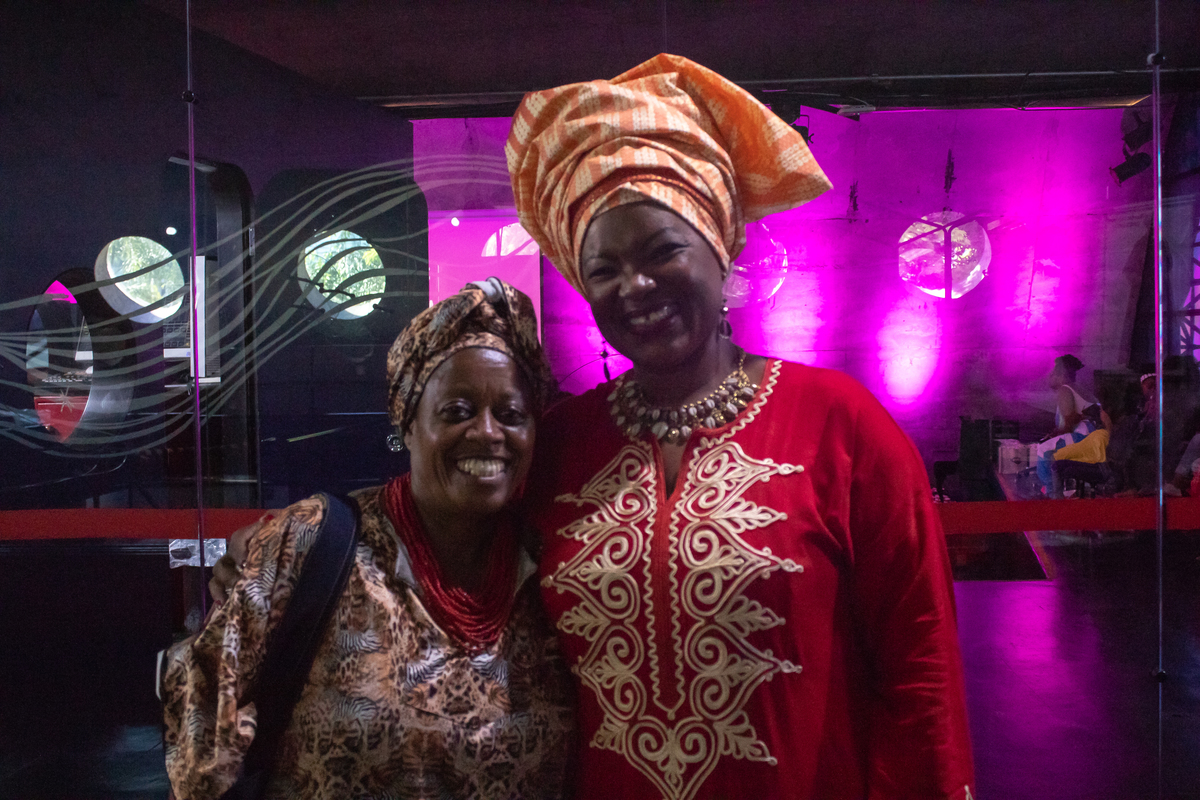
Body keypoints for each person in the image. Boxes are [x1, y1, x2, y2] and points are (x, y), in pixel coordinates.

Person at [508, 54, 974, 800]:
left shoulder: (841, 426)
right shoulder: (562, 446)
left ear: (722, 246)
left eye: (663, 250)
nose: (636, 286)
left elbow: (921, 671)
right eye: (603, 269)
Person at [160, 280, 576, 799]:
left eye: (511, 415)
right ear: (408, 423)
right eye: (457, 411)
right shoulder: (313, 545)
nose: (488, 432)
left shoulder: (554, 572)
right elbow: (202, 727)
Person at [1033, 355, 1097, 492]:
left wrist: (1053, 436)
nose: (1049, 377)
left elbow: (1070, 423)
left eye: (1052, 374)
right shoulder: (1078, 389)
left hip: (1084, 437)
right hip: (1092, 438)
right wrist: (1055, 434)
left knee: (1044, 449)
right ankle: (1062, 490)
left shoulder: (1065, 390)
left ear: (1061, 375)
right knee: (1051, 445)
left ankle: (1052, 492)